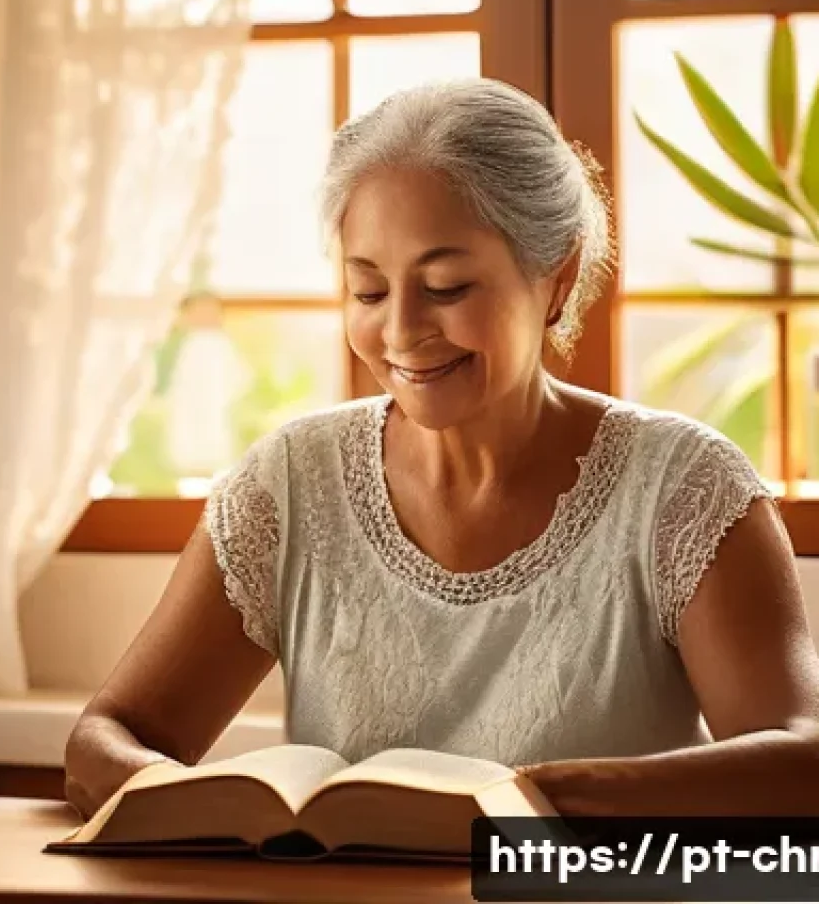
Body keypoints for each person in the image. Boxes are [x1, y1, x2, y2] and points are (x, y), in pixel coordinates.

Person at [64, 78, 819, 820]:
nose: (400, 332)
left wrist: (523, 803)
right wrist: (211, 811)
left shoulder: (685, 489)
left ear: (556, 282)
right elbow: (108, 739)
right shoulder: (288, 486)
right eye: (367, 291)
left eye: (449, 287)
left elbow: (800, 763)